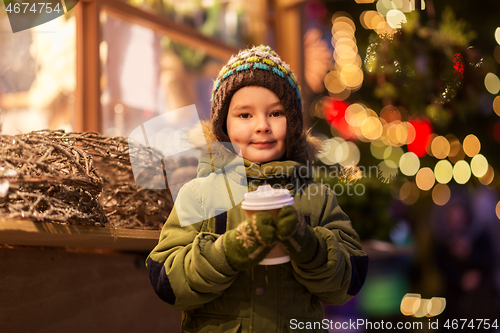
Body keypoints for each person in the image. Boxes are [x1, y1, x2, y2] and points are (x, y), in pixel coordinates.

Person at [146, 45, 368, 332]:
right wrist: (228, 251)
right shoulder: (199, 194)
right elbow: (166, 279)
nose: (262, 125)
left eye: (275, 113)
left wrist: (308, 244)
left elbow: (350, 279)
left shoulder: (317, 197)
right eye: (245, 115)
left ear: (293, 122)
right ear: (222, 126)